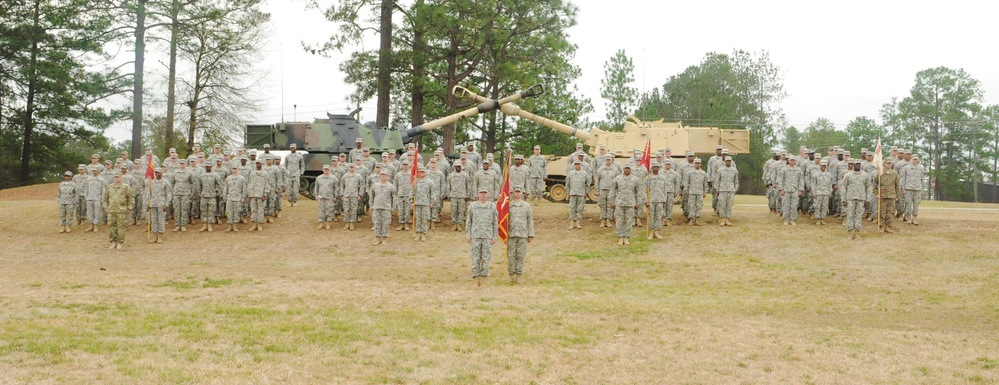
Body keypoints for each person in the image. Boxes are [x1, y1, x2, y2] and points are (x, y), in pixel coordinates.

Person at [466, 188, 498, 286]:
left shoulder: (492, 206)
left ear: (488, 195)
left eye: (485, 193)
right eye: (481, 193)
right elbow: (469, 221)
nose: (483, 195)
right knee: (475, 255)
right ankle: (475, 272)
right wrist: (468, 235)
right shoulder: (473, 206)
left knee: (486, 255)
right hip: (475, 234)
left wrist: (494, 236)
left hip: (487, 235)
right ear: (478, 194)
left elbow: (495, 222)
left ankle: (484, 272)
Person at [507, 187, 534, 283]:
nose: (517, 193)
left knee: (521, 255)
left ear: (522, 193)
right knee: (511, 256)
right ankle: (511, 275)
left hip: (523, 234)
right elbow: (505, 220)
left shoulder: (526, 206)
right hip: (511, 234)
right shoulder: (509, 205)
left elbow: (529, 220)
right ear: (513, 193)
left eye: (519, 192)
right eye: (516, 191)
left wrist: (530, 234)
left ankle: (518, 276)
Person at [610, 164, 643, 245]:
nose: (627, 170)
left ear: (630, 169)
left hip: (630, 203)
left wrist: (638, 202)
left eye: (628, 168)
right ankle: (620, 237)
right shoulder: (617, 178)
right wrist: (612, 201)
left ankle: (627, 237)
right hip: (620, 203)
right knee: (619, 220)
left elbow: (639, 192)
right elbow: (612, 190)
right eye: (625, 168)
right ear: (623, 169)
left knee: (629, 221)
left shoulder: (635, 179)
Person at [841, 160, 871, 239]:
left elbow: (869, 188)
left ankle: (857, 232)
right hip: (850, 198)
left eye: (859, 164)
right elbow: (843, 187)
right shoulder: (848, 175)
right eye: (856, 164)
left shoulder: (865, 175)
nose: (857, 165)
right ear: (853, 165)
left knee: (859, 216)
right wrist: (843, 199)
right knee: (850, 215)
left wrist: (868, 199)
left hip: (861, 198)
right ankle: (850, 233)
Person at [102, 173, 134, 250]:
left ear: (121, 177)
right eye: (115, 177)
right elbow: (105, 198)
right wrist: (105, 207)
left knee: (121, 227)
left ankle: (119, 242)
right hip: (111, 210)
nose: (116, 178)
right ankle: (113, 242)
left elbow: (131, 198)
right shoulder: (110, 186)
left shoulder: (126, 187)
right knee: (112, 226)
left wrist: (129, 208)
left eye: (118, 177)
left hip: (121, 210)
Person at [370, 171, 396, 245]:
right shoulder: (375, 185)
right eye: (381, 175)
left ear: (387, 177)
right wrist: (371, 205)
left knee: (385, 223)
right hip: (377, 207)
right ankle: (378, 238)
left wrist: (393, 207)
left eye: (384, 175)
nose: (383, 176)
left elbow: (394, 197)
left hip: (386, 208)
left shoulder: (391, 186)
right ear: (379, 176)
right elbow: (371, 195)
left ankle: (384, 238)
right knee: (377, 223)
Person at [875, 159, 901, 233]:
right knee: (882, 212)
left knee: (890, 213)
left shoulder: (894, 173)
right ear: (884, 164)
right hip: (882, 195)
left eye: (890, 163)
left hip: (891, 195)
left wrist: (897, 196)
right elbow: (875, 184)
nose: (889, 165)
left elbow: (897, 185)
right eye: (887, 163)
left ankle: (888, 227)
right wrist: (877, 193)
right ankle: (881, 227)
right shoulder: (880, 173)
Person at [146, 168, 172, 243]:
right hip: (153, 204)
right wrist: (148, 203)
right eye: (156, 172)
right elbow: (149, 193)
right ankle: (155, 236)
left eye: (158, 172)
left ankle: (160, 236)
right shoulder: (152, 182)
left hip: (161, 204)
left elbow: (168, 194)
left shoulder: (165, 182)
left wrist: (166, 204)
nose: (157, 174)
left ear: (161, 173)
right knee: (154, 220)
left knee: (161, 220)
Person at [169, 160, 195, 232]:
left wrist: (192, 193)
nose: (182, 165)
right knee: (177, 210)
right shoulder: (175, 172)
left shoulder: (190, 172)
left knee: (184, 209)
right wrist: (172, 193)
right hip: (176, 193)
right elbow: (171, 183)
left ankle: (183, 225)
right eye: (180, 163)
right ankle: (177, 225)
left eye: (183, 163)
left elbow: (193, 183)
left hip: (186, 194)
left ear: (186, 164)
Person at [594, 156, 619, 228]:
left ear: (611, 160)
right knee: (602, 205)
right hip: (602, 190)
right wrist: (597, 190)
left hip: (611, 190)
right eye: (607, 160)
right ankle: (602, 220)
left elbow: (617, 181)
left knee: (610, 206)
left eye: (609, 160)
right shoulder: (600, 169)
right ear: (605, 160)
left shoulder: (615, 170)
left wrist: (616, 190)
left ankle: (608, 220)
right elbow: (597, 180)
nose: (608, 161)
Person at [778, 157, 804, 225]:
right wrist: (781, 189)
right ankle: (786, 219)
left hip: (795, 190)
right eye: (791, 160)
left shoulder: (799, 170)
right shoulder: (784, 169)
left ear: (795, 161)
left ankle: (793, 219)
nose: (792, 161)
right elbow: (781, 179)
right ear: (788, 161)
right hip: (786, 190)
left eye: (793, 160)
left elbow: (801, 180)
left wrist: (800, 190)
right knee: (786, 205)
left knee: (794, 206)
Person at [412, 168, 436, 241]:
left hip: (426, 203)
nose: (422, 173)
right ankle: (418, 233)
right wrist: (411, 202)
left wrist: (432, 202)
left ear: (425, 173)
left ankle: (423, 234)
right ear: (418, 173)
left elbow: (433, 193)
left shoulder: (429, 182)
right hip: (417, 203)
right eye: (420, 172)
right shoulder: (415, 182)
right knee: (418, 219)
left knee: (425, 219)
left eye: (423, 172)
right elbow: (412, 192)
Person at [447, 163, 473, 231]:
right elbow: (448, 186)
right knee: (453, 211)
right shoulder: (451, 175)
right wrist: (448, 194)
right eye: (457, 166)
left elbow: (468, 186)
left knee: (461, 211)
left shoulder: (465, 175)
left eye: (459, 166)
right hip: (453, 195)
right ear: (455, 167)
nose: (458, 167)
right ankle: (454, 224)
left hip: (462, 196)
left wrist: (468, 195)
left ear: (461, 167)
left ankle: (459, 224)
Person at [714, 156, 739, 226]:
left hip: (731, 190)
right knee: (722, 205)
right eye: (727, 161)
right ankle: (722, 219)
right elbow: (717, 181)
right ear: (725, 161)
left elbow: (736, 181)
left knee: (729, 205)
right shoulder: (720, 170)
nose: (728, 162)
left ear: (731, 161)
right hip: (722, 190)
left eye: (729, 161)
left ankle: (727, 219)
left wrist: (735, 189)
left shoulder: (734, 170)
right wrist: (717, 189)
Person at [197, 164, 222, 232]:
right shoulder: (201, 175)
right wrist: (200, 194)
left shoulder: (215, 175)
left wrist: (217, 193)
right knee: (203, 211)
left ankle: (210, 224)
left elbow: (220, 185)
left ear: (211, 167)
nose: (207, 167)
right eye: (206, 166)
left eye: (208, 166)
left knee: (211, 211)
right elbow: (199, 186)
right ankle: (205, 224)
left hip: (212, 196)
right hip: (204, 196)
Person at [340, 163, 365, 230]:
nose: (351, 168)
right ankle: (347, 222)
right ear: (348, 168)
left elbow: (362, 185)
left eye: (352, 167)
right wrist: (342, 195)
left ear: (354, 168)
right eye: (350, 167)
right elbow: (341, 186)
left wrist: (360, 195)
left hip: (354, 196)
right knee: (346, 209)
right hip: (346, 195)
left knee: (354, 210)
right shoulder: (345, 176)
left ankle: (352, 223)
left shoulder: (358, 176)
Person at [566, 160, 590, 229]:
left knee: (580, 208)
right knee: (572, 208)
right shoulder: (571, 173)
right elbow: (567, 183)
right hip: (573, 193)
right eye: (576, 164)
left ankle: (578, 223)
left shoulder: (584, 174)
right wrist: (568, 192)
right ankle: (571, 224)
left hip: (581, 193)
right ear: (574, 165)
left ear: (581, 165)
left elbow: (587, 184)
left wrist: (586, 192)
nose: (577, 165)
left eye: (578, 164)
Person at [646, 163, 667, 238]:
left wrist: (664, 200)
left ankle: (657, 231)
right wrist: (646, 201)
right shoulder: (648, 178)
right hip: (651, 200)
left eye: (657, 167)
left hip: (660, 199)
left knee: (659, 216)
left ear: (659, 168)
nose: (656, 168)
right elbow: (645, 190)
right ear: (652, 168)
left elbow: (665, 190)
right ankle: (651, 231)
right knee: (651, 216)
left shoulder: (663, 178)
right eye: (654, 167)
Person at [222, 166, 247, 232]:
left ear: (238, 169)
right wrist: (225, 197)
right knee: (229, 212)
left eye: (235, 168)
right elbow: (225, 188)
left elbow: (244, 189)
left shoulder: (242, 178)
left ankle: (235, 226)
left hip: (238, 198)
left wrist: (243, 198)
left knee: (236, 212)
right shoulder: (228, 178)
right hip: (230, 198)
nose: (234, 170)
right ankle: (230, 226)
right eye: (233, 168)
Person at [683, 159, 708, 226]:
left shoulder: (703, 173)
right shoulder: (690, 173)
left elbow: (705, 184)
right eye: (696, 163)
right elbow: (687, 183)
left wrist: (705, 192)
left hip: (700, 192)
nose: (697, 164)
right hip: (691, 192)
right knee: (691, 206)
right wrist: (686, 191)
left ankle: (697, 219)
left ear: (700, 164)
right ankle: (691, 219)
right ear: (694, 164)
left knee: (699, 206)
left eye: (699, 163)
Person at [901, 155, 924, 225]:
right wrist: (903, 188)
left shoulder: (921, 169)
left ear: (918, 160)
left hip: (917, 189)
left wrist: (922, 189)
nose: (915, 160)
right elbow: (903, 179)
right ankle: (908, 218)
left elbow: (922, 180)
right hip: (908, 188)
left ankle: (914, 218)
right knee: (908, 204)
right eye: (914, 159)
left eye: (916, 159)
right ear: (911, 159)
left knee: (916, 204)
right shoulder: (906, 168)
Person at [315, 165, 339, 230]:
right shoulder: (319, 178)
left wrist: (336, 196)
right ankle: (321, 223)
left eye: (327, 169)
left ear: (329, 170)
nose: (326, 170)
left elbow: (336, 188)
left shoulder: (334, 178)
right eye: (325, 169)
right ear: (323, 170)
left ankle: (328, 223)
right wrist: (316, 195)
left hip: (330, 197)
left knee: (329, 210)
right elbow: (316, 187)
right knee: (321, 210)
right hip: (321, 196)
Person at [810, 160, 834, 225]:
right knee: (818, 206)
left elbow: (830, 184)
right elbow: (813, 184)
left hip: (826, 193)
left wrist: (830, 192)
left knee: (825, 206)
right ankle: (818, 219)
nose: (823, 167)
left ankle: (823, 219)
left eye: (825, 166)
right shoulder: (816, 175)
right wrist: (814, 193)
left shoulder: (829, 175)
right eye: (822, 165)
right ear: (820, 166)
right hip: (818, 193)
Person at [246, 161, 268, 231]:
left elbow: (267, 184)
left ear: (262, 164)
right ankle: (254, 225)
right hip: (253, 194)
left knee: (260, 210)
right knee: (253, 210)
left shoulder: (265, 173)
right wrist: (249, 193)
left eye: (259, 163)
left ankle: (259, 225)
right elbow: (249, 183)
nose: (258, 164)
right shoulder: (252, 173)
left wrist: (265, 194)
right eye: (257, 163)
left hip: (260, 195)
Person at [394, 161, 412, 231]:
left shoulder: (411, 174)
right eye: (404, 164)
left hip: (408, 195)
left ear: (409, 165)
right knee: (401, 211)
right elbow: (395, 185)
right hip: (400, 195)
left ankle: (406, 224)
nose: (405, 166)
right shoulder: (398, 174)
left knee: (407, 211)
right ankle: (401, 224)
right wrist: (396, 194)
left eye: (406, 165)